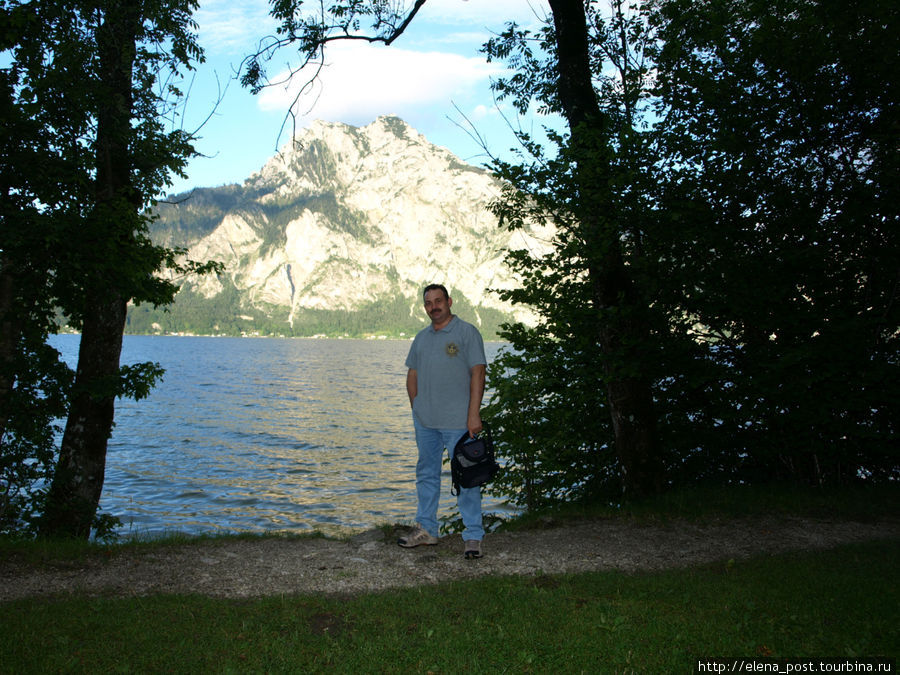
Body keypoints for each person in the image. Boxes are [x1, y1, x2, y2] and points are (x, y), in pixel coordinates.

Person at [399, 283, 487, 559]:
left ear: (449, 301)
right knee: (426, 475)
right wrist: (417, 409)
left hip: (459, 422)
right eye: (428, 303)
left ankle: (473, 536)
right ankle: (426, 529)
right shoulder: (421, 337)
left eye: (438, 301)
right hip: (426, 423)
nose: (433, 306)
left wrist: (473, 414)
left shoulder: (466, 332)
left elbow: (478, 373)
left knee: (467, 478)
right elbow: (412, 375)